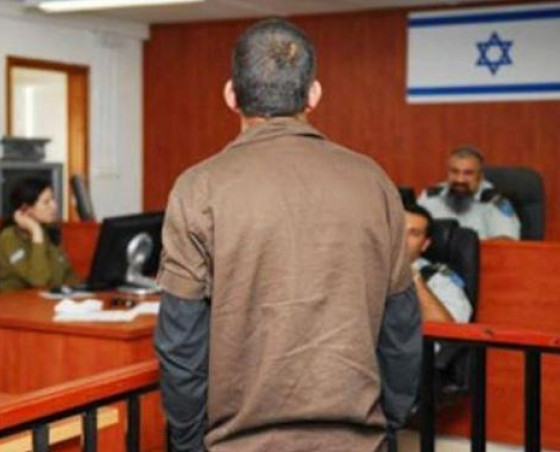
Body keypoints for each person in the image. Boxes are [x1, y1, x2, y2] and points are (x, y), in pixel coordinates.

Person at [154, 18, 422, 452]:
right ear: (313, 94)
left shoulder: (198, 188)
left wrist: (187, 443)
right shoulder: (373, 181)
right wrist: (388, 428)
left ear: (231, 95)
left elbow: (181, 340)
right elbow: (401, 328)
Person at [0, 178, 79, 292]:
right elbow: (39, 281)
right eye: (46, 202)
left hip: (51, 298)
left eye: (53, 199)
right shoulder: (9, 237)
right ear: (26, 208)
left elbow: (67, 275)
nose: (54, 206)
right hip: (18, 301)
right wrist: (36, 232)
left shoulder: (49, 230)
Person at [418, 146, 520, 240]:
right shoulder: (430, 197)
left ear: (480, 177)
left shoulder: (495, 202)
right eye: (454, 172)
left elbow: (507, 241)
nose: (460, 180)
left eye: (468, 173)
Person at [405, 203, 472, 324]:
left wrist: (412, 277)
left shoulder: (438, 278)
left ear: (425, 244)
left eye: (414, 233)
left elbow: (449, 330)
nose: (402, 238)